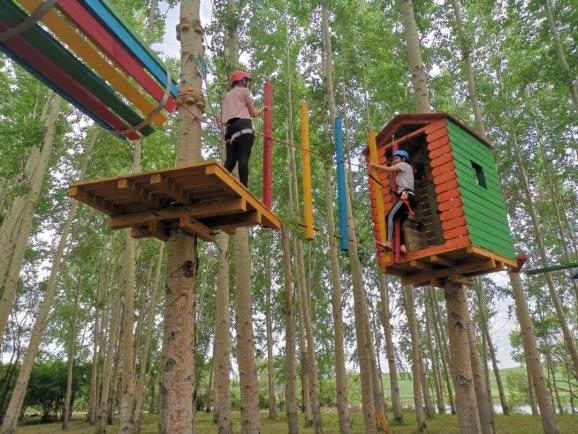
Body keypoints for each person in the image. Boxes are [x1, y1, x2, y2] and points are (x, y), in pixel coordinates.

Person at [221, 70, 267, 188]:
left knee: (230, 161)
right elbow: (253, 113)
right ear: (242, 80)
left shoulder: (226, 96)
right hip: (243, 126)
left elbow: (225, 118)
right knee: (243, 157)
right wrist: (262, 109)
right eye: (247, 80)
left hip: (229, 130)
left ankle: (220, 184)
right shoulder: (245, 91)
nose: (248, 83)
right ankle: (244, 187)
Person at [370, 150, 417, 254]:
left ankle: (388, 242)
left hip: (406, 196)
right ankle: (403, 247)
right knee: (397, 223)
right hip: (409, 198)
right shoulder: (404, 170)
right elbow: (391, 170)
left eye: (396, 158)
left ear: (403, 159)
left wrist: (374, 166)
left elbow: (389, 169)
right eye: (393, 159)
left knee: (389, 217)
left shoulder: (404, 165)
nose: (394, 161)